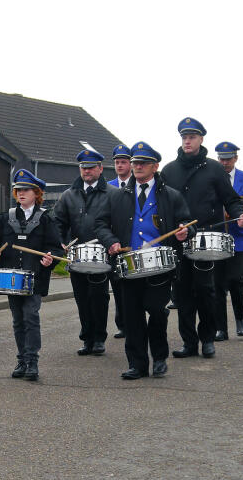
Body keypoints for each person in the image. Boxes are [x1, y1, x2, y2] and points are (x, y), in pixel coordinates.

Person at [96, 143, 192, 379]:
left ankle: (159, 357)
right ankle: (137, 364)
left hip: (160, 265)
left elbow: (189, 224)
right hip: (127, 264)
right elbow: (100, 224)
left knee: (157, 311)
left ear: (155, 166)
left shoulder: (171, 195)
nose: (137, 166)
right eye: (135, 162)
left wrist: (185, 232)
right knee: (132, 316)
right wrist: (111, 242)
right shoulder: (117, 196)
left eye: (143, 163)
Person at [160, 117, 243, 359]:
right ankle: (189, 342)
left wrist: (239, 214)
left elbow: (231, 199)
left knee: (207, 291)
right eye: (184, 137)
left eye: (192, 137)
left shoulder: (214, 168)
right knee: (183, 293)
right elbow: (163, 205)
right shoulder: (169, 170)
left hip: (207, 239)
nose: (187, 141)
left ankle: (207, 338)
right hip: (179, 239)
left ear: (201, 139)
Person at [0, 169, 62, 381]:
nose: (21, 193)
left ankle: (32, 360)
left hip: (35, 278)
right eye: (18, 190)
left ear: (37, 193)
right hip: (11, 277)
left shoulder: (46, 219)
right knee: (18, 320)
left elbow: (55, 247)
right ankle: (22, 360)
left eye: (26, 190)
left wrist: (49, 258)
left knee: (31, 317)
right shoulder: (5, 217)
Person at [53, 147, 113, 356]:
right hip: (77, 254)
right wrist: (59, 241)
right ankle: (87, 338)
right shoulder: (68, 195)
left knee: (98, 297)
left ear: (100, 168)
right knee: (81, 298)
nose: (86, 172)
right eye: (83, 168)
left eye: (90, 168)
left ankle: (99, 338)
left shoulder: (112, 193)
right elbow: (58, 222)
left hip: (102, 254)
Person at [212, 141, 243, 339]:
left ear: (236, 158)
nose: (224, 163)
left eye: (228, 159)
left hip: (238, 237)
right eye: (221, 159)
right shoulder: (211, 179)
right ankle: (221, 328)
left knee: (234, 279)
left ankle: (240, 318)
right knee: (217, 284)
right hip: (215, 238)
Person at [106, 144, 134, 339]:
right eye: (117, 162)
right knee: (117, 286)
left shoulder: (138, 184)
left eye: (124, 162)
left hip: (133, 243)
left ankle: (136, 321)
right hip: (114, 244)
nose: (120, 165)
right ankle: (123, 324)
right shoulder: (108, 187)